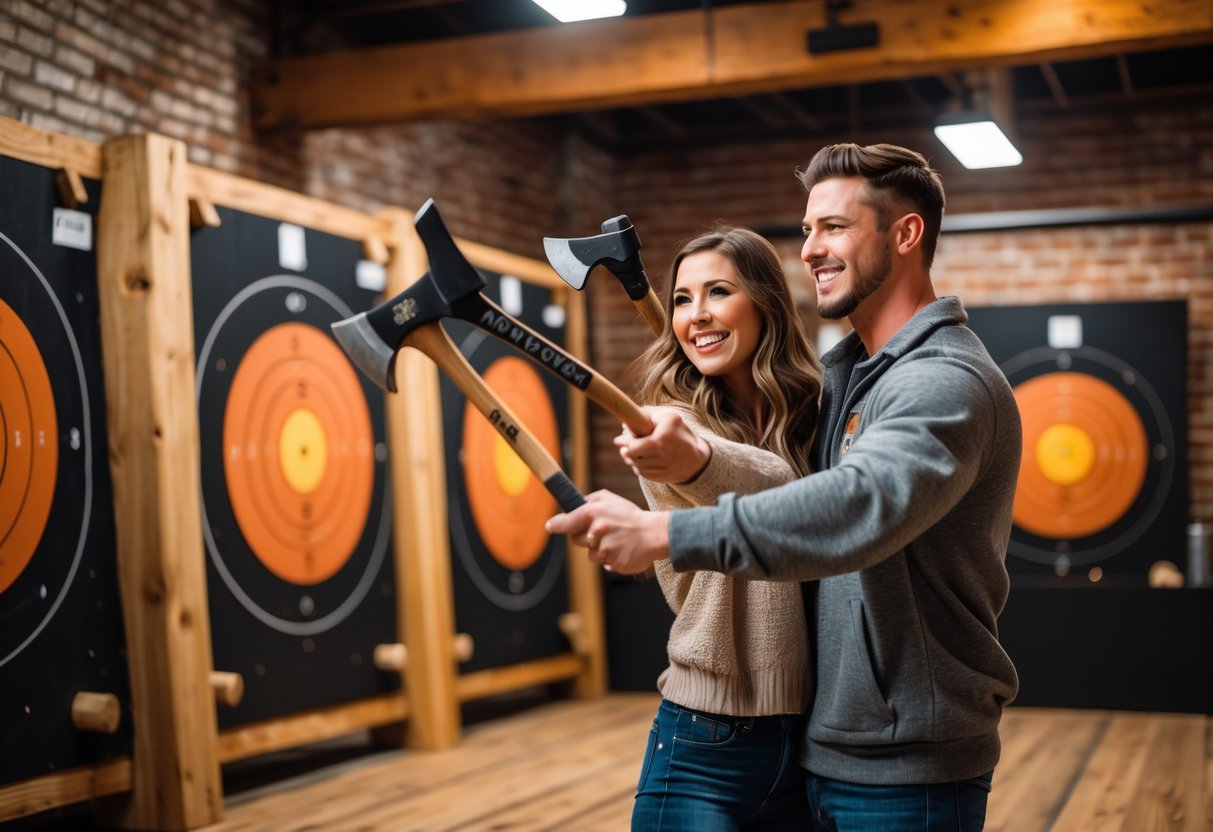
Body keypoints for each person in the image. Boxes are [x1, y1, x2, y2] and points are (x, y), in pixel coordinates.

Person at [548, 142, 1022, 831]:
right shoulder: (844, 383)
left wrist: (664, 532)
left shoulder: (940, 381)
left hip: (906, 762)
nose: (810, 249)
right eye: (805, 230)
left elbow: (859, 506)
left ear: (905, 233)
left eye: (833, 226)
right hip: (819, 746)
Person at [619, 225, 822, 830]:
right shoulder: (669, 427)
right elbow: (778, 494)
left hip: (813, 737)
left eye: (717, 293)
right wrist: (697, 457)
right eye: (682, 299)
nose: (695, 315)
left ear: (765, 303)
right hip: (702, 738)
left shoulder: (816, 410)